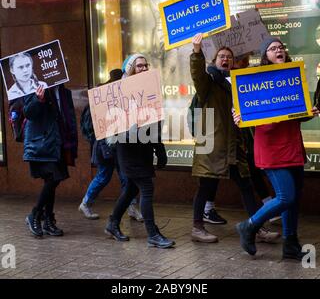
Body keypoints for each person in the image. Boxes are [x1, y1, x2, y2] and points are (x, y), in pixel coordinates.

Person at [234, 37, 320, 259]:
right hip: (272, 150)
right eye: (273, 49)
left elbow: (296, 118)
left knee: (294, 199)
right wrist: (243, 116)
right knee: (285, 196)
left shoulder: (293, 79)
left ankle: (290, 243)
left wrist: (308, 112)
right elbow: (261, 121)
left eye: (281, 47)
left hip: (292, 148)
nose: (279, 50)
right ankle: (249, 225)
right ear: (266, 57)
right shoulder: (256, 82)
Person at [190, 33, 280, 243]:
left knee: (246, 185)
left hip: (233, 145)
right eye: (221, 56)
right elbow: (197, 74)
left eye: (229, 57)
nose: (226, 59)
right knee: (204, 187)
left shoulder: (235, 84)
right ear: (214, 61)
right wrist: (196, 52)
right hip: (211, 145)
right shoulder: (208, 83)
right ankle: (196, 228)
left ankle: (256, 227)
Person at [104, 53, 175, 248]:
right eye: (139, 66)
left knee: (131, 189)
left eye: (145, 66)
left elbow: (155, 122)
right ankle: (152, 234)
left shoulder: (150, 90)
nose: (143, 69)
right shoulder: (119, 92)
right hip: (128, 148)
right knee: (146, 188)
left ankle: (112, 223)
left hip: (143, 147)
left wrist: (159, 149)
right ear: (130, 70)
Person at [79, 69, 143, 221]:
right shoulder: (101, 97)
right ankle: (86, 203)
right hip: (105, 145)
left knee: (124, 177)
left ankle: (131, 207)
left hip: (118, 144)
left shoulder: (118, 97)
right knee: (105, 176)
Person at [24, 83, 78, 237]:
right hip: (43, 143)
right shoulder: (35, 88)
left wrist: (71, 141)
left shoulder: (65, 92)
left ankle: (48, 220)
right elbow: (28, 113)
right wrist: (38, 99)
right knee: (53, 178)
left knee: (52, 181)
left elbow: (69, 118)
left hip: (59, 142)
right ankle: (35, 214)